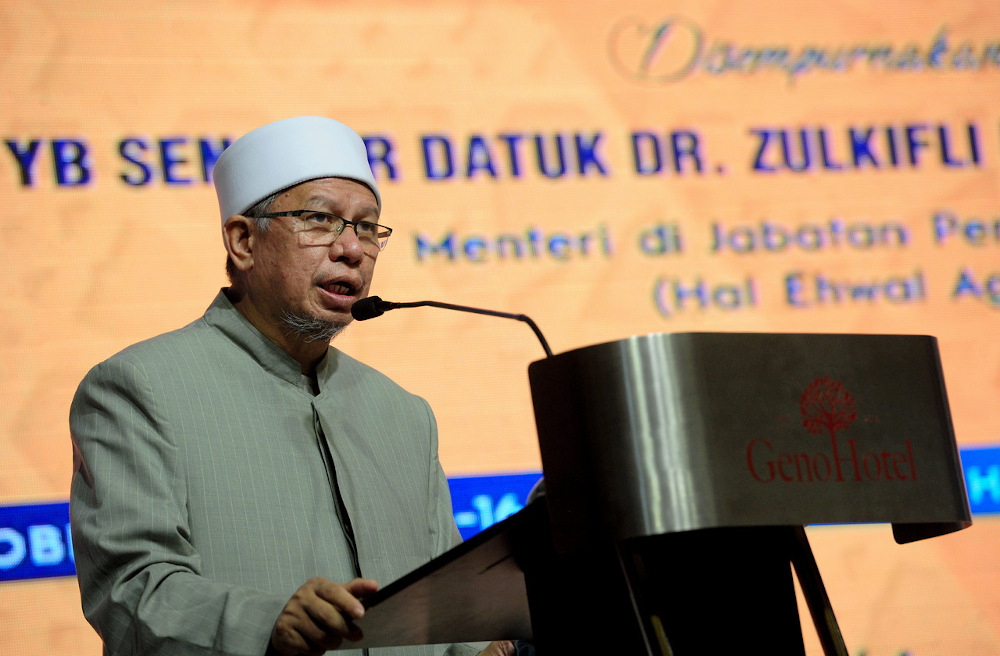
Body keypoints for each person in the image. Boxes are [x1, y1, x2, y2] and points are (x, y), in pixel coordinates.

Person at [69, 116, 514, 656]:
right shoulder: (139, 389)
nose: (352, 249)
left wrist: (483, 646)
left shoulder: (403, 412)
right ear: (242, 241)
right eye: (320, 219)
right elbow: (130, 594)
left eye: (368, 227)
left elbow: (443, 601)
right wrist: (268, 624)